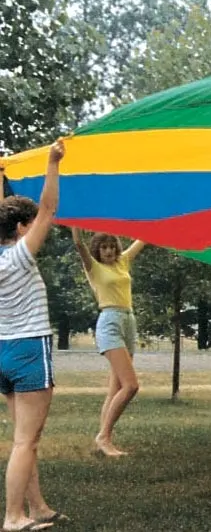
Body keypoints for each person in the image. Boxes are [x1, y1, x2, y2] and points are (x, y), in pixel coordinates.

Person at [0, 140, 70, 531]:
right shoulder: (21, 256)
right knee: (25, 441)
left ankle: (38, 507)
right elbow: (49, 209)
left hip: (4, 352)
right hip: (29, 350)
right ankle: (12, 517)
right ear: (22, 229)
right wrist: (52, 163)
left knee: (25, 439)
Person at [71, 227, 145, 457]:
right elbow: (79, 245)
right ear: (98, 250)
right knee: (130, 385)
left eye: (112, 246)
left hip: (128, 321)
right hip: (110, 322)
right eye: (104, 247)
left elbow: (143, 239)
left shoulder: (123, 262)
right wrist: (75, 222)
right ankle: (103, 436)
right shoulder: (94, 268)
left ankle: (103, 442)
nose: (109, 251)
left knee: (115, 389)